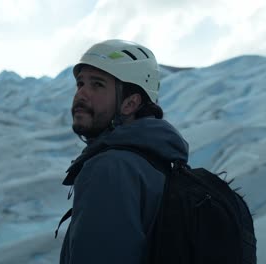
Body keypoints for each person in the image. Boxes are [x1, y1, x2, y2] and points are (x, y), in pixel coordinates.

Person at [59, 39, 189, 263]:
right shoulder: (156, 161)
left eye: (97, 85)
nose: (81, 94)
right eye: (80, 84)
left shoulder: (110, 168)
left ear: (130, 104)